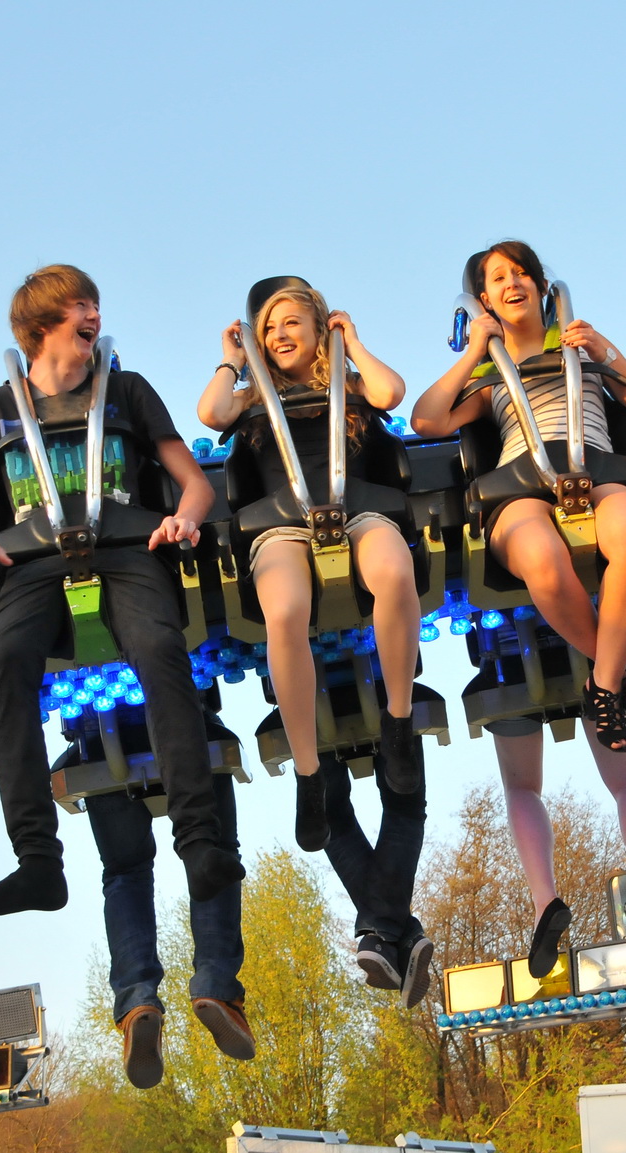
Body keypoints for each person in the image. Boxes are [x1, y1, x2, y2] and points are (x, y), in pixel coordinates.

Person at [0, 264, 251, 1087]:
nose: (94, 315)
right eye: (80, 306)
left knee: (159, 650)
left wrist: (183, 520)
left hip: (124, 548)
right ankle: (37, 860)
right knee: (2, 661)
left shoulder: (128, 391)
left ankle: (199, 841)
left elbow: (192, 482)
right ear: (42, 323)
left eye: (95, 306)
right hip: (32, 560)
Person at [410, 242, 626, 978]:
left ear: (541, 285)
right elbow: (428, 420)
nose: (511, 284)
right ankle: (545, 903)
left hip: (593, 470)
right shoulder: (488, 374)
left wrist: (606, 354)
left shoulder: (582, 351)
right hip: (523, 491)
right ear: (482, 299)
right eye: (495, 280)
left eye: (520, 273)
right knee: (540, 559)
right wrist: (475, 350)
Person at [199, 280, 433, 1006]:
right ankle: (310, 775)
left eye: (291, 322)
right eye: (267, 326)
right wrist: (233, 358)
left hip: (355, 510)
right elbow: (210, 413)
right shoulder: (252, 399)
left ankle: (397, 723)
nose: (279, 334)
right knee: (285, 609)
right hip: (281, 523)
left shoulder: (350, 390)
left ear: (319, 325)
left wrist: (350, 342)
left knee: (393, 571)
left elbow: (392, 393)